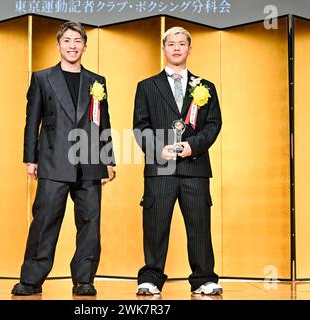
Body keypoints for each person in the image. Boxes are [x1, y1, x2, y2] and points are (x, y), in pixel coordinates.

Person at [12, 21, 115, 296]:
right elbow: (31, 121)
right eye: (67, 41)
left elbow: (103, 122)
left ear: (84, 45)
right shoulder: (42, 78)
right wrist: (30, 159)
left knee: (90, 223)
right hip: (52, 161)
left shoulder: (97, 82)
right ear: (59, 45)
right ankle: (31, 279)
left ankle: (84, 279)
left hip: (90, 162)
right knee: (45, 222)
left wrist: (108, 158)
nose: (72, 46)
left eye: (77, 41)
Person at [133, 26, 222, 296]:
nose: (176, 48)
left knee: (199, 225)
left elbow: (213, 124)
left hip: (195, 167)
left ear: (189, 49)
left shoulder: (205, 87)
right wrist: (158, 149)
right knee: (155, 225)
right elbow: (140, 125)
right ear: (164, 48)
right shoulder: (147, 86)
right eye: (171, 44)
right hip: (160, 169)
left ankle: (204, 278)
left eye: (181, 44)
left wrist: (191, 146)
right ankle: (150, 278)